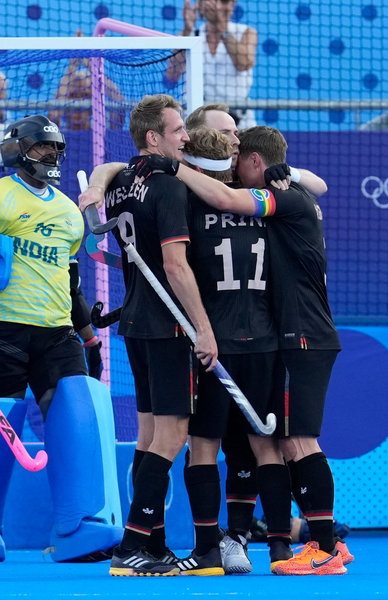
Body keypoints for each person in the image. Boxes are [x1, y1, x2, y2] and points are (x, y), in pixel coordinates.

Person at [129, 125, 350, 576]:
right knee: (276, 441)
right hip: (278, 338)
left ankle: (319, 546)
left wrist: (170, 167)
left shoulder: (276, 199)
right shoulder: (288, 194)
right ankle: (282, 550)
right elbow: (315, 183)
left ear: (250, 161)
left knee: (288, 441)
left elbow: (230, 199)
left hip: (293, 336)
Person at [0, 115, 120, 563]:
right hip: (1, 332)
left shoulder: (71, 213)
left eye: (55, 148)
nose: (51, 156)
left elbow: (70, 284)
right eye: (40, 148)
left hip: (57, 334)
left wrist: (89, 339)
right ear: (16, 151)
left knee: (73, 408)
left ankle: (78, 525)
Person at [78, 94, 218, 577]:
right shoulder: (168, 187)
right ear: (155, 137)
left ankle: (153, 543)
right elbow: (176, 267)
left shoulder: (118, 183)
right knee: (174, 433)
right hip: (169, 324)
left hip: (136, 323)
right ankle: (134, 545)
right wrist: (203, 327)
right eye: (178, 130)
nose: (186, 138)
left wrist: (97, 180)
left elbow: (113, 167)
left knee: (149, 434)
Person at [185, 102, 329, 196]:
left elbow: (320, 187)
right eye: (224, 133)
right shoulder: (180, 181)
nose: (236, 141)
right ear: (199, 136)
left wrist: (286, 171)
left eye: (235, 133)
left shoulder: (248, 176)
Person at [166, 0, 258, 128]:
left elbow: (244, 63)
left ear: (233, 5)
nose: (218, 6)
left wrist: (220, 26)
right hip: (197, 122)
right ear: (200, 6)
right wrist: (188, 32)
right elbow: (172, 76)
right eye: (213, 1)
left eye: (224, 1)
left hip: (239, 123)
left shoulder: (246, 32)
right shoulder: (188, 35)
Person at [49, 30, 126, 131]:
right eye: (73, 95)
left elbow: (119, 101)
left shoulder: (104, 133)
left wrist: (92, 66)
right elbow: (53, 112)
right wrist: (72, 65)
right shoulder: (55, 134)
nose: (79, 103)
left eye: (85, 95)